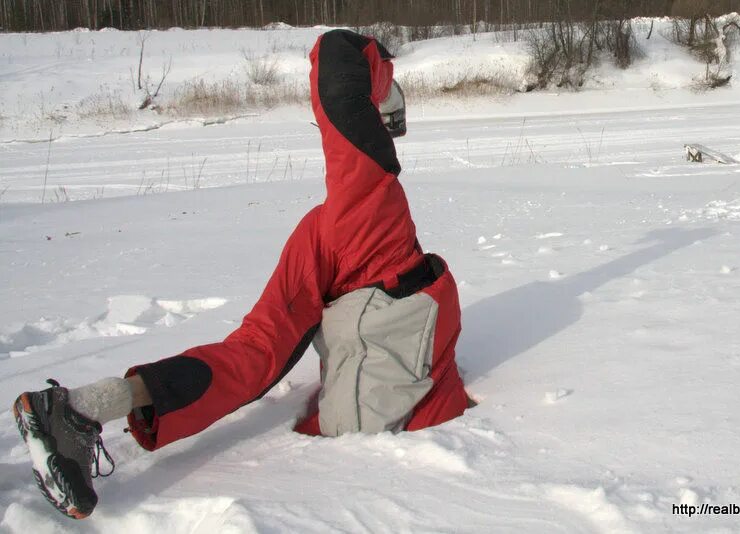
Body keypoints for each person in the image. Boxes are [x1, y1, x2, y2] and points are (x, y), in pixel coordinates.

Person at [12, 29, 470, 520]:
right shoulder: (369, 206)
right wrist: (382, 80)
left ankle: (79, 409)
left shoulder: (326, 228)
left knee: (249, 354)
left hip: (381, 373)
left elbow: (258, 354)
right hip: (378, 454)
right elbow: (339, 62)